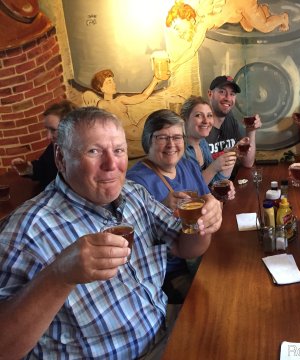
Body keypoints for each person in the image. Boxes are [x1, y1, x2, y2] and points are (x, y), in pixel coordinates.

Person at [0, 107, 222, 359]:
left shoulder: (134, 193)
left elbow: (185, 246)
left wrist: (203, 222)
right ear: (60, 158)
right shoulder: (26, 230)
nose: (111, 164)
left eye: (118, 151)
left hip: (164, 329)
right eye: (94, 151)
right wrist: (59, 275)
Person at [126, 109, 224, 307]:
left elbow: (207, 200)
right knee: (211, 300)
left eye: (177, 137)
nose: (171, 144)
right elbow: (133, 239)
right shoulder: (135, 181)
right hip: (171, 270)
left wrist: (215, 204)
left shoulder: (188, 165)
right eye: (162, 137)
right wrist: (161, 206)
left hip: (202, 252)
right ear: (148, 141)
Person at [83, 67, 169, 158]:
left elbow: (143, 96)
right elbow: (87, 96)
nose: (113, 84)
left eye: (113, 81)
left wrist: (155, 80)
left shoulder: (120, 99)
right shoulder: (102, 105)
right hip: (129, 136)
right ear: (101, 88)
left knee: (159, 116)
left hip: (136, 131)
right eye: (109, 82)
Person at [11, 100, 77, 190]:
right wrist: (28, 168)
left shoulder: (83, 156)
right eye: (47, 130)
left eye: (53, 130)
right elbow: (44, 168)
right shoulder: (55, 146)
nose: (48, 136)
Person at [205, 75, 261, 170]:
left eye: (232, 94)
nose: (228, 98)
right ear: (210, 94)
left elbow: (248, 162)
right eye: (222, 92)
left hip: (231, 181)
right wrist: (232, 152)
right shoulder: (201, 126)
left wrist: (251, 131)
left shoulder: (230, 120)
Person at [181, 95, 237, 187]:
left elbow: (213, 182)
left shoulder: (202, 142)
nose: (206, 121)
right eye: (198, 115)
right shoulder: (179, 150)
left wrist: (232, 155)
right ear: (185, 120)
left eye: (209, 115)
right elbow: (191, 191)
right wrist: (214, 167)